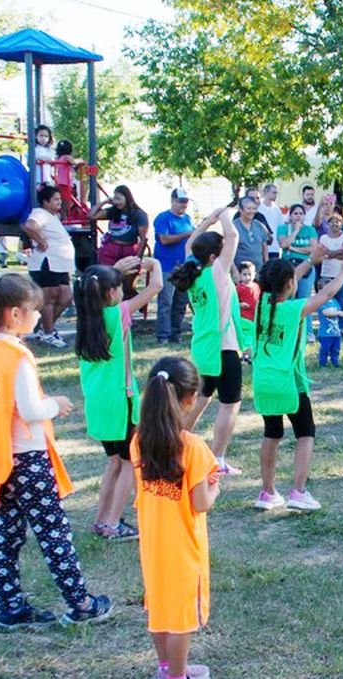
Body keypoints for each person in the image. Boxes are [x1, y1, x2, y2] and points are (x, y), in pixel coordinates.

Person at [0, 271, 112, 630]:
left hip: (2, 460)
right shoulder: (17, 356)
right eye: (35, 310)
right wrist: (55, 403)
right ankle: (81, 604)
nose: (38, 316)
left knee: (8, 535)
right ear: (14, 314)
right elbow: (30, 411)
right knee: (54, 533)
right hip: (28, 460)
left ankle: (10, 606)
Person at [132, 356, 221, 679]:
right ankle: (178, 675)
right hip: (183, 547)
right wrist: (215, 487)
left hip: (153, 542)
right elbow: (200, 503)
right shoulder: (194, 447)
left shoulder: (139, 441)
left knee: (158, 606)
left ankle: (167, 667)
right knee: (182, 616)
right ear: (189, 399)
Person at [251, 250, 343, 512]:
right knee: (306, 433)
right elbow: (327, 294)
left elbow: (284, 278)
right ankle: (298, 491)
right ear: (289, 284)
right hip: (286, 380)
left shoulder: (263, 303)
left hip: (263, 380)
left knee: (271, 433)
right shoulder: (293, 309)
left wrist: (312, 260)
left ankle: (267, 492)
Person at [74, 256, 166, 542]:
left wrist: (115, 271)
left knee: (114, 461)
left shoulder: (86, 319)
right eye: (119, 288)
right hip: (120, 400)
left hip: (98, 402)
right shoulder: (116, 315)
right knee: (129, 462)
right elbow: (158, 286)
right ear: (112, 294)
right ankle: (113, 524)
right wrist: (152, 263)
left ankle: (102, 519)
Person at [171, 206, 244, 474]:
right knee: (230, 403)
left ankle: (173, 444)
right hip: (223, 347)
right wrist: (224, 213)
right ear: (215, 256)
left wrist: (207, 221)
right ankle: (218, 458)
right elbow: (233, 235)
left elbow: (191, 242)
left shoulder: (194, 272)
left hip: (203, 346)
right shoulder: (216, 273)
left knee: (201, 398)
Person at [21, 185, 76, 348]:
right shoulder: (40, 213)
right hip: (47, 263)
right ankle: (48, 333)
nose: (60, 202)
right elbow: (29, 225)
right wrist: (41, 241)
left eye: (60, 199)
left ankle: (45, 328)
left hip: (60, 265)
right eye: (56, 200)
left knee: (66, 297)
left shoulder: (52, 216)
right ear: (45, 202)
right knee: (50, 298)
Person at [153, 189, 196, 344]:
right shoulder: (163, 218)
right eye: (180, 201)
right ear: (172, 200)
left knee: (180, 302)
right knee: (166, 302)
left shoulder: (188, 219)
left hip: (184, 266)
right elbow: (164, 239)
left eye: (186, 201)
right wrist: (187, 234)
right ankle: (163, 335)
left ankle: (175, 333)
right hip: (166, 265)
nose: (184, 204)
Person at [94, 185, 150, 272]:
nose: (116, 202)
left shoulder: (139, 214)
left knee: (127, 280)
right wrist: (104, 202)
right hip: (111, 250)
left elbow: (143, 239)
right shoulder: (113, 211)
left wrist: (137, 259)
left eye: (119, 199)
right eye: (115, 199)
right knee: (107, 278)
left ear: (127, 198)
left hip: (128, 249)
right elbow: (92, 215)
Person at [317, 213, 343, 326]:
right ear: (327, 224)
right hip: (326, 273)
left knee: (342, 300)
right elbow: (323, 252)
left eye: (337, 221)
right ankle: (327, 323)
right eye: (332, 221)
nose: (335, 224)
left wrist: (330, 254)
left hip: (341, 274)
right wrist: (339, 251)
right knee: (326, 300)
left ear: (341, 224)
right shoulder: (323, 238)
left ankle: (341, 326)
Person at [232, 196, 273, 276]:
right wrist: (234, 271)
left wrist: (267, 268)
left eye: (254, 208)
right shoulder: (233, 226)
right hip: (241, 275)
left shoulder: (259, 225)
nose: (252, 211)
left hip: (258, 273)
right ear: (240, 209)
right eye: (249, 208)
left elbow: (265, 250)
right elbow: (228, 252)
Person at [235, 260, 260, 359]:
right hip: (243, 318)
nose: (248, 277)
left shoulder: (256, 286)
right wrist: (240, 304)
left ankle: (251, 353)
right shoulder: (239, 288)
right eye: (245, 274)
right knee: (245, 338)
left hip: (254, 317)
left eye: (250, 274)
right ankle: (244, 354)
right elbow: (232, 303)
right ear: (240, 275)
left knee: (252, 336)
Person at [258, 185, 286, 259]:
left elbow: (281, 226)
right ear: (266, 192)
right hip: (260, 246)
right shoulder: (258, 207)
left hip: (274, 247)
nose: (275, 195)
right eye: (273, 193)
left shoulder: (277, 210)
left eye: (276, 193)